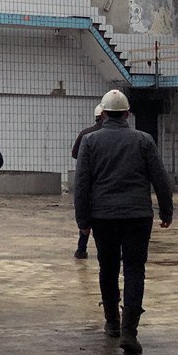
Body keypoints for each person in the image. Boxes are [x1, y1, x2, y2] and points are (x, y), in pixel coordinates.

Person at [73, 89, 173, 355]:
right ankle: (130, 331)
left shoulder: (90, 142)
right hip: (138, 216)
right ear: (127, 114)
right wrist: (166, 211)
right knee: (134, 270)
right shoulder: (144, 140)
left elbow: (81, 184)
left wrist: (82, 220)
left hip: (103, 217)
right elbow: (160, 179)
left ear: (103, 114)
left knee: (107, 268)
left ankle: (112, 323)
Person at [70, 104, 105, 259]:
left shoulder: (86, 134)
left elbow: (75, 153)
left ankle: (81, 248)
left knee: (86, 211)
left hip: (90, 180)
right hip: (107, 183)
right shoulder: (120, 135)